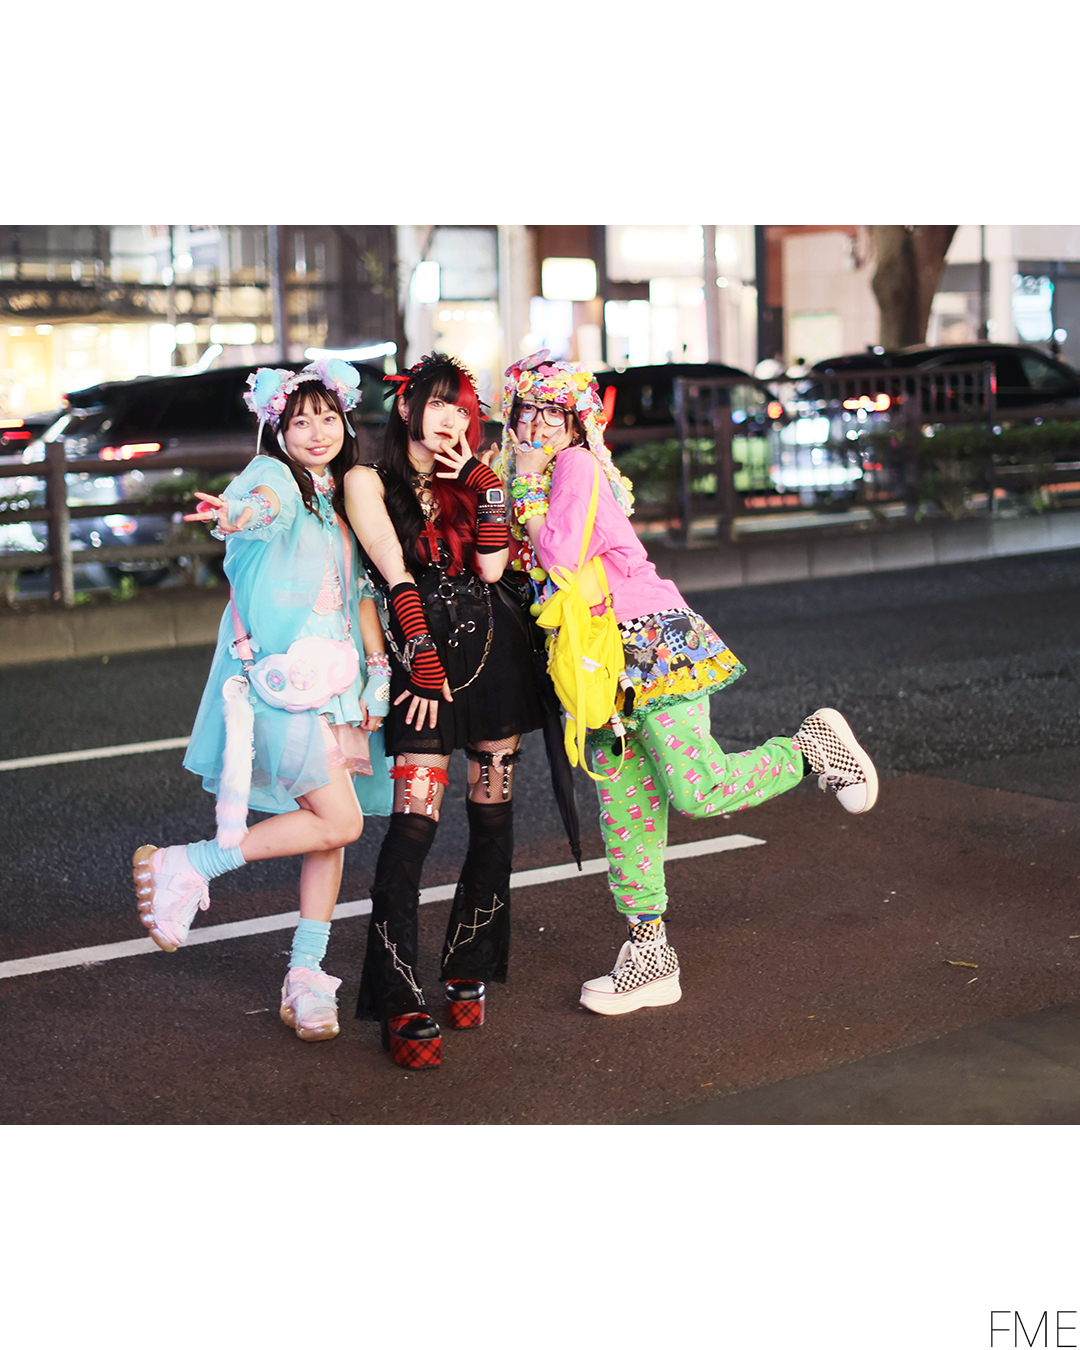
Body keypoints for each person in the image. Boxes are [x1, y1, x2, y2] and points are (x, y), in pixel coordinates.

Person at [497, 350, 879, 1016]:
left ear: (578, 422)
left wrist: (526, 484)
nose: (537, 425)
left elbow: (558, 556)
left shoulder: (576, 466)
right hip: (593, 665)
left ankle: (809, 749)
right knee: (626, 815)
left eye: (553, 413)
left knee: (696, 787)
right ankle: (650, 956)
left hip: (647, 641)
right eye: (527, 411)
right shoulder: (539, 477)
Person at [133, 358, 392, 1042]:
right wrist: (238, 513)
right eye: (300, 421)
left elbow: (361, 591)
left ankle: (305, 974)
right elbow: (260, 512)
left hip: (334, 684)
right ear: (277, 429)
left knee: (328, 829)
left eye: (327, 418)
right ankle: (191, 861)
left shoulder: (338, 492)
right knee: (340, 821)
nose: (316, 432)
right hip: (283, 684)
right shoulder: (272, 476)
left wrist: (377, 670)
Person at [343, 352, 547, 1069]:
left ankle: (468, 966)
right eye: (435, 403)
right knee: (413, 826)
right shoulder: (368, 478)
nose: (449, 419)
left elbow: (491, 570)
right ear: (405, 408)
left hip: (493, 661)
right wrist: (420, 659)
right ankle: (398, 998)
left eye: (460, 407)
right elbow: (391, 568)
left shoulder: (472, 477)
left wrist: (485, 488)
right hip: (421, 665)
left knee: (493, 817)